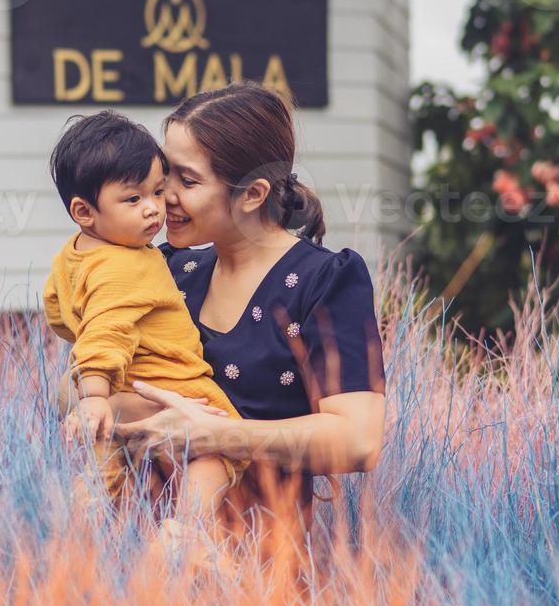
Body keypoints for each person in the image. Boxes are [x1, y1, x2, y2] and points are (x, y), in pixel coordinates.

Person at [60, 80, 387, 545]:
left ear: (252, 195)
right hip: (130, 549)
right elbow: (71, 390)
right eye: (163, 171)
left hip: (257, 564)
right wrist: (100, 397)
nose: (161, 195)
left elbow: (358, 440)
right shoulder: (168, 270)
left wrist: (214, 434)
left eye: (186, 180)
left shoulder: (324, 282)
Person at [42, 110, 250, 551]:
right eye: (133, 200)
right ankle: (189, 531)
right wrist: (95, 395)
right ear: (84, 210)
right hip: (175, 383)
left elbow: (60, 312)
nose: (155, 208)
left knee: (105, 456)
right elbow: (106, 329)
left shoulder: (73, 255)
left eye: (159, 190)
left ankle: (93, 520)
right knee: (215, 449)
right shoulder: (127, 264)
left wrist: (94, 385)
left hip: (125, 383)